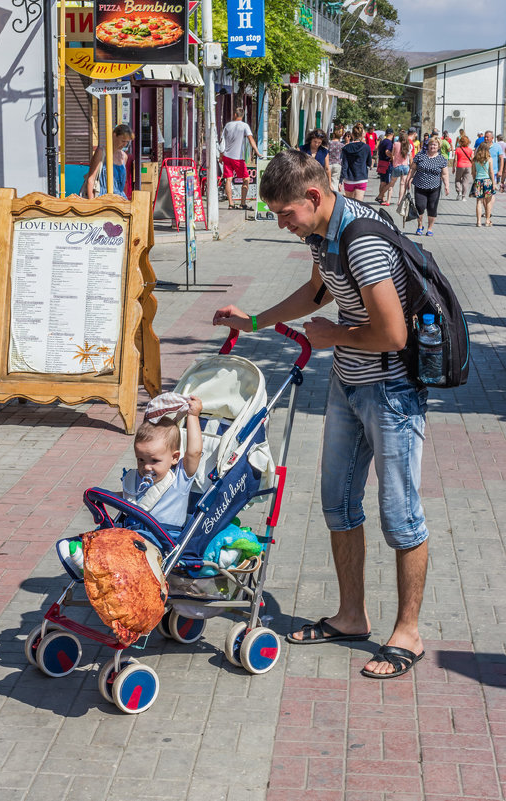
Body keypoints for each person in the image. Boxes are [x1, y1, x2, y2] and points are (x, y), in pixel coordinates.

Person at [213, 149, 429, 680]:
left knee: (401, 516)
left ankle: (408, 632)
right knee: (338, 504)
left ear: (314, 196)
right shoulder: (322, 234)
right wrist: (257, 320)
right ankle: (351, 616)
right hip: (348, 384)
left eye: (286, 214)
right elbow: (317, 291)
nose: (283, 225)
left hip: (391, 390)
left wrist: (334, 336)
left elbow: (394, 334)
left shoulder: (363, 241)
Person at [59, 394, 203, 575]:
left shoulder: (180, 478)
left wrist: (193, 416)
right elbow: (129, 497)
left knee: (126, 548)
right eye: (140, 459)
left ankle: (95, 563)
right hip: (131, 532)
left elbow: (194, 452)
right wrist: (109, 497)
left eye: (154, 460)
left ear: (174, 458)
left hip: (163, 540)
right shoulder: (137, 478)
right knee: (107, 535)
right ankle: (90, 556)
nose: (146, 466)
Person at [219, 107, 261, 211]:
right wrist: (257, 152)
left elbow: (222, 141)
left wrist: (221, 156)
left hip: (227, 157)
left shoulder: (228, 125)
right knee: (246, 178)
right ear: (242, 116)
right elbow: (251, 139)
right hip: (238, 158)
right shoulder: (244, 126)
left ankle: (231, 203)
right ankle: (242, 203)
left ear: (235, 115)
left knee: (228, 179)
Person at [406, 135, 449, 236]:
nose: (432, 146)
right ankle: (420, 226)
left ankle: (430, 228)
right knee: (420, 207)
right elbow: (412, 169)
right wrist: (408, 179)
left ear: (438, 146)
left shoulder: (441, 159)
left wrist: (447, 185)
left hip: (435, 187)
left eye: (435, 145)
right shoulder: (420, 156)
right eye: (430, 144)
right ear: (428, 145)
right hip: (420, 186)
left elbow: (445, 174)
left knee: (432, 208)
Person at [86, 124, 134, 199]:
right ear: (114, 136)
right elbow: (91, 179)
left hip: (120, 199)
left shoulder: (124, 156)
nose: (124, 144)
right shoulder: (101, 152)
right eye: (123, 141)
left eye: (127, 142)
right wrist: (91, 202)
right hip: (102, 198)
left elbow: (124, 183)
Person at [340, 122, 371, 201]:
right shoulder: (366, 147)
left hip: (349, 179)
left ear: (352, 135)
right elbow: (369, 163)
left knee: (350, 205)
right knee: (358, 205)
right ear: (362, 135)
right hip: (361, 178)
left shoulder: (346, 148)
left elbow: (344, 166)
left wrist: (340, 180)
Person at [472, 143, 496, 227]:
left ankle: (478, 222)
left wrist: (475, 180)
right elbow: (491, 172)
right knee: (488, 201)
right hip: (487, 181)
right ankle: (487, 220)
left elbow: (473, 172)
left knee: (479, 201)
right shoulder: (489, 159)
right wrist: (494, 183)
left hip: (478, 180)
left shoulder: (475, 159)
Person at [385, 131, 412, 205]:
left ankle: (388, 201)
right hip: (405, 166)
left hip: (396, 166)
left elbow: (392, 154)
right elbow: (410, 157)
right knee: (402, 184)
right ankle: (399, 201)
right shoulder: (408, 145)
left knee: (392, 184)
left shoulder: (395, 144)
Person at [375, 126, 395, 204]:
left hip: (381, 162)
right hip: (386, 163)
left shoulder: (382, 141)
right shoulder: (389, 142)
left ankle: (381, 198)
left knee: (382, 182)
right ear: (392, 134)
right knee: (388, 182)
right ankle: (380, 196)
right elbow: (387, 151)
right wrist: (392, 157)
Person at [452, 134, 473, 201]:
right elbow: (472, 159)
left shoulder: (458, 149)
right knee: (465, 182)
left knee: (457, 180)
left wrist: (453, 167)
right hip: (468, 166)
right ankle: (464, 197)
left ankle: (459, 192)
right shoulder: (470, 150)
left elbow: (455, 159)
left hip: (460, 166)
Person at [327, 125, 344, 192]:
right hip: (337, 164)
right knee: (335, 181)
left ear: (333, 135)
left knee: (327, 182)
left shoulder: (328, 143)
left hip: (328, 164)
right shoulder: (342, 145)